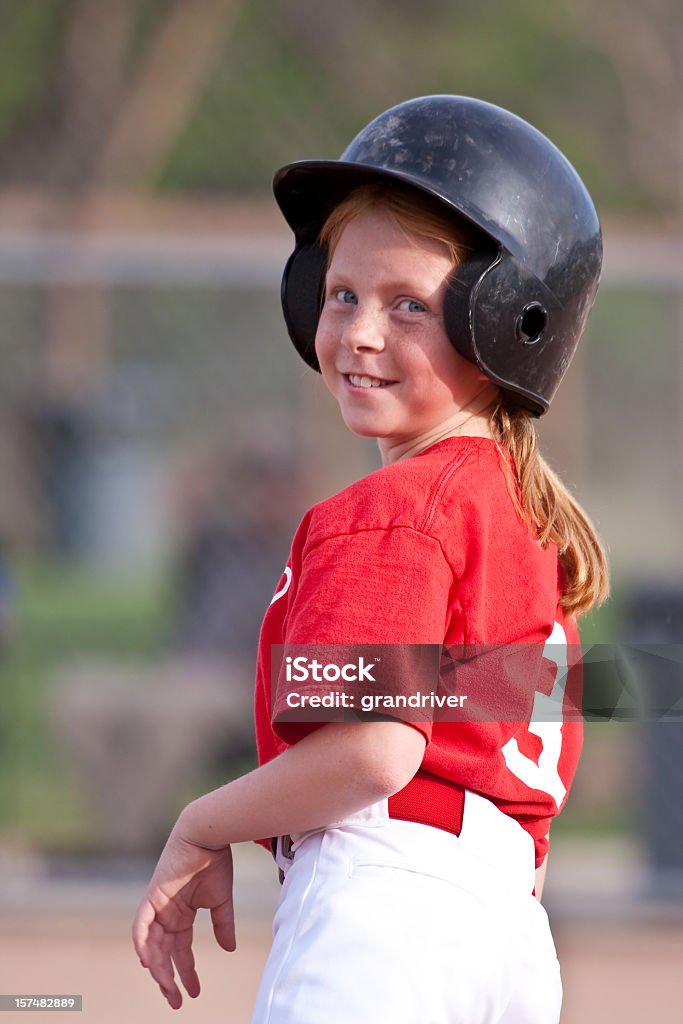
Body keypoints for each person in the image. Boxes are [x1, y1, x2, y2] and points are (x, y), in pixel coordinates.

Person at [132, 95, 609, 1024]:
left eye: (408, 307)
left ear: (507, 322)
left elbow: (375, 750)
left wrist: (202, 823)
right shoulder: (529, 528)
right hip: (508, 932)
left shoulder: (391, 511)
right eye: (342, 292)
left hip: (388, 906)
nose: (356, 332)